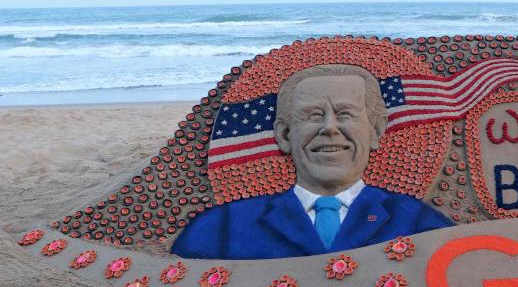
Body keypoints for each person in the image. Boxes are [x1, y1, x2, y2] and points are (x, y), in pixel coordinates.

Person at [172, 64, 453, 260]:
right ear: (284, 134)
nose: (330, 128)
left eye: (345, 114)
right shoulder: (221, 228)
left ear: (376, 131)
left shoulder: (421, 224)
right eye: (313, 115)